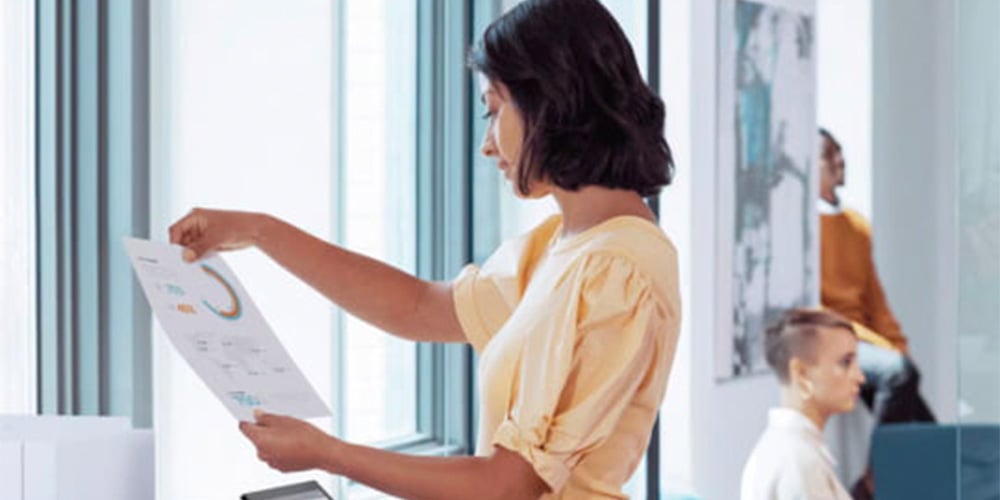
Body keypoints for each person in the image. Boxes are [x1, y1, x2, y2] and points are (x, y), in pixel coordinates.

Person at [168, 0, 681, 498]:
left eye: (493, 110)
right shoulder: (560, 247)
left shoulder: (615, 268)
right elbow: (416, 307)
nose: (487, 144)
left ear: (549, 101)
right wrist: (261, 232)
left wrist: (330, 453)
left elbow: (508, 485)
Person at [817, 128, 936, 499]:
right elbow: (817, 308)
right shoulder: (804, 228)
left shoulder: (857, 227)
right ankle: (871, 483)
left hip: (864, 344)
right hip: (831, 339)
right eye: (829, 154)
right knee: (898, 373)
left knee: (930, 433)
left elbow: (876, 301)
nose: (840, 161)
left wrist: (896, 345)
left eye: (840, 152)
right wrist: (884, 351)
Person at [741, 308, 866, 500]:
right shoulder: (799, 461)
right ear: (801, 373)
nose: (860, 377)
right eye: (845, 362)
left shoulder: (786, 450)